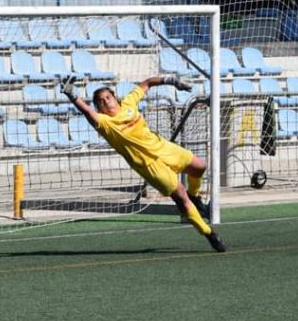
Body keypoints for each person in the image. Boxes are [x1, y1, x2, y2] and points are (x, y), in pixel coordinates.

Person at [59, 74, 227, 252]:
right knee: (180, 198)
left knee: (200, 166)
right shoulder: (106, 124)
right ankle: (209, 233)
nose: (106, 102)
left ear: (115, 97)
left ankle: (196, 196)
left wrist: (173, 81)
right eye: (101, 101)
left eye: (108, 97)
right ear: (99, 108)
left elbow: (147, 83)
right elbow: (87, 112)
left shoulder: (129, 104)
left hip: (163, 148)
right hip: (150, 166)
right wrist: (72, 95)